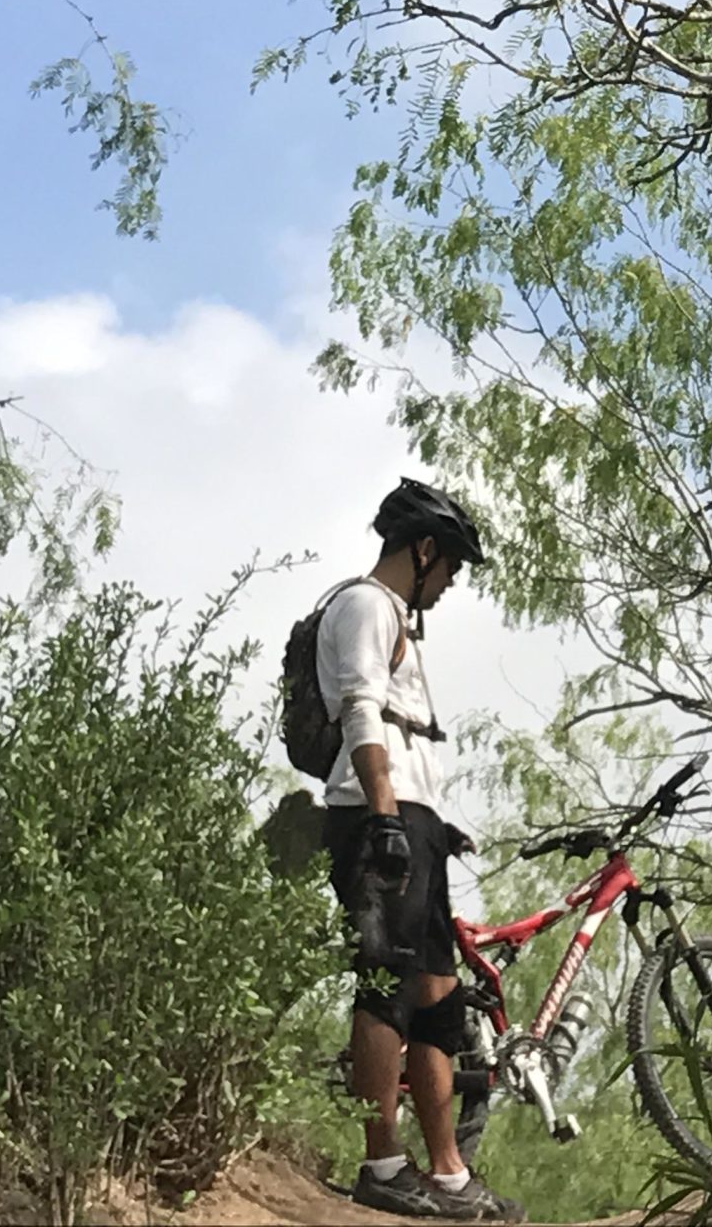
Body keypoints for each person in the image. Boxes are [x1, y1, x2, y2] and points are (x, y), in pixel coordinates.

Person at [318, 478, 520, 1223]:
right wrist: (385, 821)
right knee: (385, 985)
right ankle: (383, 1163)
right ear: (423, 550)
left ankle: (447, 1174)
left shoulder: (397, 614)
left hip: (412, 815)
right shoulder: (367, 604)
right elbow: (362, 712)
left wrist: (429, 822)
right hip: (378, 814)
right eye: (452, 565)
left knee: (438, 998)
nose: (453, 580)